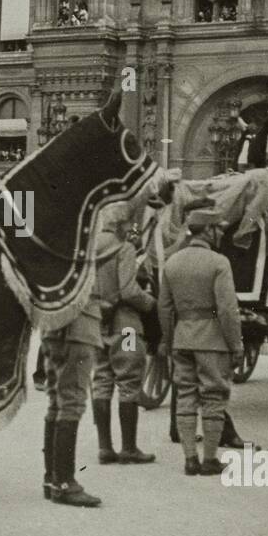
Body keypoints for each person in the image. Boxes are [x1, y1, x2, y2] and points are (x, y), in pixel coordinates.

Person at [159, 206, 243, 476]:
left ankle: (189, 459)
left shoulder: (172, 262)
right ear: (207, 230)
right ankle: (209, 459)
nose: (220, 232)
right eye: (218, 228)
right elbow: (227, 310)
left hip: (182, 337)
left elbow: (165, 308)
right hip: (212, 339)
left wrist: (172, 339)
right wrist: (236, 344)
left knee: (185, 395)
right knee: (213, 396)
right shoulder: (219, 263)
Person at [90, 203, 158, 464]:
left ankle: (105, 447)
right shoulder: (124, 248)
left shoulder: (90, 248)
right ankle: (129, 447)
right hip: (126, 325)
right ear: (121, 224)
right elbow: (129, 291)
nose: (132, 228)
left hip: (97, 322)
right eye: (129, 223)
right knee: (129, 382)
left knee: (102, 380)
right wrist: (151, 303)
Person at [40, 265, 104, 507]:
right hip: (80, 329)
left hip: (52, 328)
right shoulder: (97, 244)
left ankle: (52, 479)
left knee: (56, 403)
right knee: (72, 404)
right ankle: (65, 483)